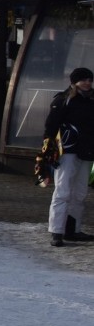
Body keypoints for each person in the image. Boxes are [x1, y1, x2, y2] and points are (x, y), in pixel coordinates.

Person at [43, 67, 94, 246]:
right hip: (67, 150)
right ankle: (57, 231)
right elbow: (50, 126)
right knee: (63, 191)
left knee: (79, 193)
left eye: (89, 79)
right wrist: (48, 148)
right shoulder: (63, 100)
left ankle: (72, 230)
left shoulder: (91, 100)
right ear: (74, 82)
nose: (87, 82)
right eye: (83, 79)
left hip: (87, 151)